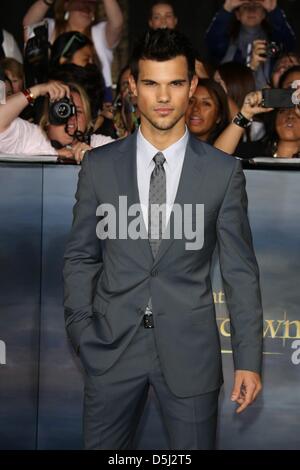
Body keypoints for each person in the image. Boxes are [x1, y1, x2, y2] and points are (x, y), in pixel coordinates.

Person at [63, 28, 263, 450]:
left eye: (175, 83)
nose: (164, 97)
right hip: (111, 349)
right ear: (133, 86)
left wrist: (248, 361)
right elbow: (81, 257)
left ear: (192, 86)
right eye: (152, 83)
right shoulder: (99, 167)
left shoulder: (222, 172)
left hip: (191, 354)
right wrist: (83, 332)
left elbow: (240, 273)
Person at [23, 0, 124, 99]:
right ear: (66, 4)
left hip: (96, 101)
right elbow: (29, 25)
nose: (86, 6)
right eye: (81, 2)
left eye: (91, 3)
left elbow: (117, 23)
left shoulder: (98, 34)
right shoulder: (51, 28)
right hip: (55, 95)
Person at [0, 80, 113, 162]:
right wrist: (37, 90)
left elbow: (126, 162)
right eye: (63, 111)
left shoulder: (98, 145)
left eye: (77, 111)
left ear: (87, 119)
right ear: (48, 118)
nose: (71, 117)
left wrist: (95, 158)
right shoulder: (32, 137)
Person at [206, 0, 296, 88]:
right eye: (245, 7)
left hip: (268, 99)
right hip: (232, 96)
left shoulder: (274, 45)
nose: (251, 10)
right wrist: (227, 8)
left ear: (264, 14)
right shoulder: (226, 45)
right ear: (237, 15)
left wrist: (274, 10)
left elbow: (289, 44)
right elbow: (212, 42)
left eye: (257, 6)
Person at [185, 78, 229, 144]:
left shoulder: (223, 152)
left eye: (206, 104)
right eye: (191, 102)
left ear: (219, 116)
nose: (195, 108)